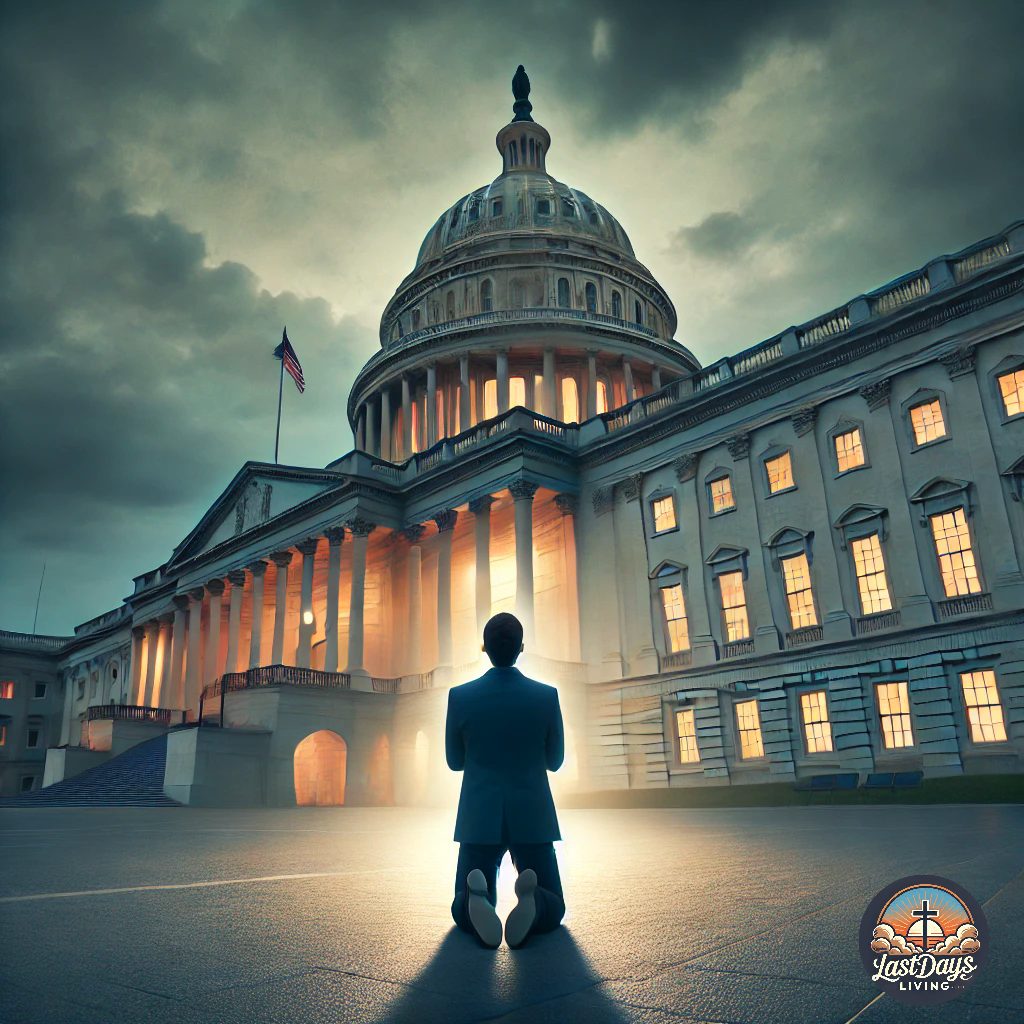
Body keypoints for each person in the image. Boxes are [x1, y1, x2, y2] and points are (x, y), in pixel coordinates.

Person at [445, 612, 566, 948]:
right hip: (532, 813)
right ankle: (535, 901)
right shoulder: (546, 696)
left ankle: (476, 900)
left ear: (483, 648)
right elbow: (555, 761)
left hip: (478, 815)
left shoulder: (460, 696)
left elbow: (455, 762)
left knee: (461, 905)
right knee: (554, 904)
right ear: (521, 647)